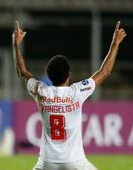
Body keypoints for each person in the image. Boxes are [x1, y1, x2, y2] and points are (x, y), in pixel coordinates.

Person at [12, 21, 126, 170]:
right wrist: (115, 43)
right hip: (76, 163)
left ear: (48, 76)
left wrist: (16, 45)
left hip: (47, 163)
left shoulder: (41, 90)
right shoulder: (77, 92)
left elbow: (22, 72)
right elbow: (105, 72)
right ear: (69, 76)